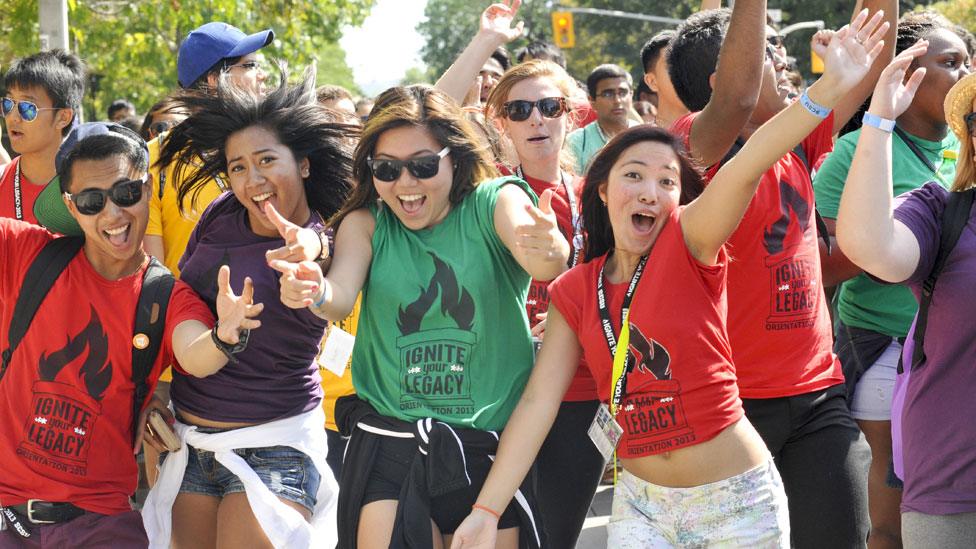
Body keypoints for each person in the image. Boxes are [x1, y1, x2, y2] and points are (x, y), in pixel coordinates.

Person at [450, 19, 893, 547]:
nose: (650, 191)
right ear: (602, 190)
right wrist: (485, 509)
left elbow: (750, 162)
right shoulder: (575, 291)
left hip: (738, 502)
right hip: (642, 508)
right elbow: (537, 404)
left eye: (667, 182)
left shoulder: (691, 246)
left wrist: (826, 89)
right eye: (633, 175)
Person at [271, 83, 569, 548]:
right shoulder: (366, 221)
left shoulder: (495, 201)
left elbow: (542, 259)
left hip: (486, 451)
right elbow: (340, 296)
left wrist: (550, 249)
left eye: (423, 166)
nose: (405, 184)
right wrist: (312, 287)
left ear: (456, 158)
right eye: (387, 169)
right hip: (392, 448)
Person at [667, 1, 898, 546]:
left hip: (819, 396)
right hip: (731, 408)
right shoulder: (688, 151)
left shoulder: (798, 137)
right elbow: (740, 96)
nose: (787, 60)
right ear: (724, 74)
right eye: (772, 51)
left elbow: (871, 68)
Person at [0, 121, 257, 547]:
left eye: (125, 193)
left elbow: (194, 351)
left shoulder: (163, 295)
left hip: (100, 525)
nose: (113, 214)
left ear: (148, 187)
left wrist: (224, 337)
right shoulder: (29, 254)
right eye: (91, 201)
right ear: (71, 204)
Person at [140, 68, 352, 548]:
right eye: (237, 166)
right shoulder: (220, 214)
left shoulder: (326, 237)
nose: (251, 179)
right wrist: (161, 393)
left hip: (273, 447)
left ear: (303, 164)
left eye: (266, 160)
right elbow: (184, 294)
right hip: (191, 443)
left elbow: (323, 257)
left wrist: (313, 250)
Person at [813, 12, 970, 547]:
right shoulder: (857, 151)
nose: (962, 73)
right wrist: (911, 236)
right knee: (894, 507)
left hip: (953, 356)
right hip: (885, 346)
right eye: (948, 63)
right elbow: (832, 262)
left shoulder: (960, 153)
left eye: (967, 63)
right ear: (908, 76)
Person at [0, 49, 86, 224]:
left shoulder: (90, 186)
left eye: (27, 108)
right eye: (8, 103)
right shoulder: (2, 180)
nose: (13, 117)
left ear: (63, 117)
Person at [565, 63, 638, 174]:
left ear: (631, 96)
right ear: (592, 101)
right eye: (608, 94)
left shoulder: (646, 135)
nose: (617, 100)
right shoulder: (577, 142)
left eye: (623, 93)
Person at [639, 30, 689, 129]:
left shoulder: (722, 136)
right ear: (652, 81)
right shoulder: (638, 141)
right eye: (672, 66)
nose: (684, 73)